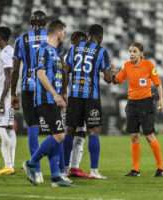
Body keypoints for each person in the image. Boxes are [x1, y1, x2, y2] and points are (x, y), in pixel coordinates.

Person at [22, 19, 74, 187]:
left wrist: (61, 95)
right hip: (45, 99)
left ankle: (55, 177)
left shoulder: (53, 52)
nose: (65, 35)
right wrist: (55, 95)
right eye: (64, 32)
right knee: (59, 135)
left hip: (54, 99)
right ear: (58, 32)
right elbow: (41, 75)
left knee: (56, 136)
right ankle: (30, 163)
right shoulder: (43, 50)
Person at [62, 24, 113, 179]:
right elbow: (108, 79)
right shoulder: (102, 51)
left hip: (75, 96)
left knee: (69, 130)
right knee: (92, 131)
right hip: (91, 97)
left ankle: (64, 169)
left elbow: (66, 70)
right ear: (100, 37)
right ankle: (94, 171)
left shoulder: (74, 48)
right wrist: (111, 71)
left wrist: (64, 91)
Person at [111, 43, 163, 177]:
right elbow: (117, 81)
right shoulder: (127, 65)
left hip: (146, 103)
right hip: (132, 104)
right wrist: (113, 75)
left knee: (149, 135)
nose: (132, 54)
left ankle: (160, 167)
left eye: (135, 51)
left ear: (141, 53)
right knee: (134, 136)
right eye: (130, 51)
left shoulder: (149, 65)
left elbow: (158, 83)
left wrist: (161, 99)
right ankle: (135, 170)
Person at [11, 10, 50, 183]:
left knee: (33, 129)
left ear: (30, 22)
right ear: (45, 23)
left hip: (28, 88)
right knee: (54, 130)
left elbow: (15, 69)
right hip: (46, 88)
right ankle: (58, 171)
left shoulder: (21, 39)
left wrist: (13, 93)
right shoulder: (51, 37)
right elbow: (59, 65)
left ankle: (38, 172)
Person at [62, 31, 90, 178]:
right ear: (72, 41)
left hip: (82, 98)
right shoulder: (70, 56)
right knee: (70, 131)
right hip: (72, 99)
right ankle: (66, 167)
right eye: (78, 41)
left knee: (80, 132)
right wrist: (64, 95)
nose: (81, 44)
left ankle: (74, 167)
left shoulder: (82, 57)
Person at [0, 26, 17, 175]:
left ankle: (8, 165)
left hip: (4, 96)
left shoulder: (5, 54)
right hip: (8, 95)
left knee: (0, 129)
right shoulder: (10, 51)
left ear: (0, 38)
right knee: (9, 128)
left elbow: (9, 76)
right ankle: (11, 164)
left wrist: (2, 99)